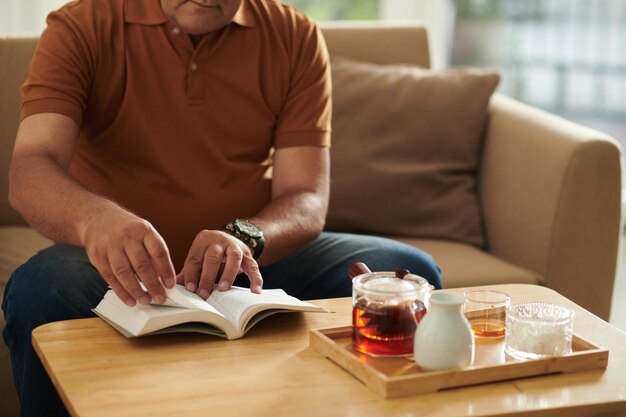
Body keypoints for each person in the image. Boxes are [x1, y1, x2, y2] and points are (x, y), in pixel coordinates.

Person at [2, 0, 442, 416]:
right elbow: (30, 170)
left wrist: (244, 237)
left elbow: (306, 196)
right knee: (43, 287)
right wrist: (94, 219)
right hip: (116, 268)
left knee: (402, 269)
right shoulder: (81, 25)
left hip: (245, 267)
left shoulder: (295, 36)